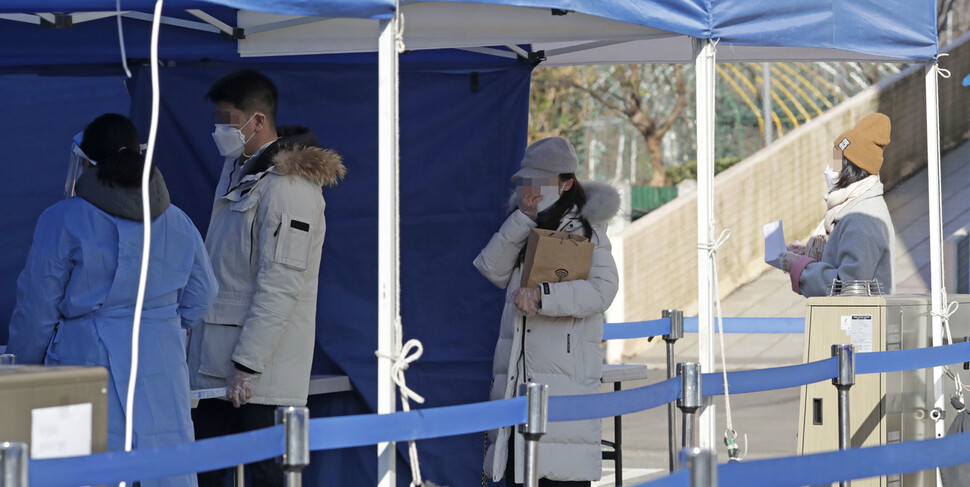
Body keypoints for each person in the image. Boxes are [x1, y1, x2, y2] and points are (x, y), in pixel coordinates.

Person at [6, 113, 217, 487]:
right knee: (165, 471)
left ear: (87, 163)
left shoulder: (64, 219)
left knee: (86, 472)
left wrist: (25, 371)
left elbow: (37, 311)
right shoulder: (178, 220)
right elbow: (203, 294)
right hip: (160, 362)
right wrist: (161, 322)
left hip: (84, 362)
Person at [187, 69, 345, 487]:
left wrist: (247, 364)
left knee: (264, 479)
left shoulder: (288, 187)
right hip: (220, 370)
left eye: (226, 118)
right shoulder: (243, 172)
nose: (219, 129)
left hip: (258, 379)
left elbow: (281, 283)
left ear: (257, 121)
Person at [474, 137, 619, 486]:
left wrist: (544, 297)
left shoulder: (587, 231)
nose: (531, 190)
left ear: (566, 183)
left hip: (562, 382)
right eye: (527, 181)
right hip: (517, 379)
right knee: (515, 470)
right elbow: (490, 268)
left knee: (557, 473)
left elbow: (603, 290)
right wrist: (522, 218)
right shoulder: (524, 223)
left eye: (541, 182)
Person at [779, 113, 895, 297]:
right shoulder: (856, 207)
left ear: (850, 168)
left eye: (836, 161)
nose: (829, 169)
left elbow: (848, 287)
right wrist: (808, 256)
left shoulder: (859, 219)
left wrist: (800, 268)